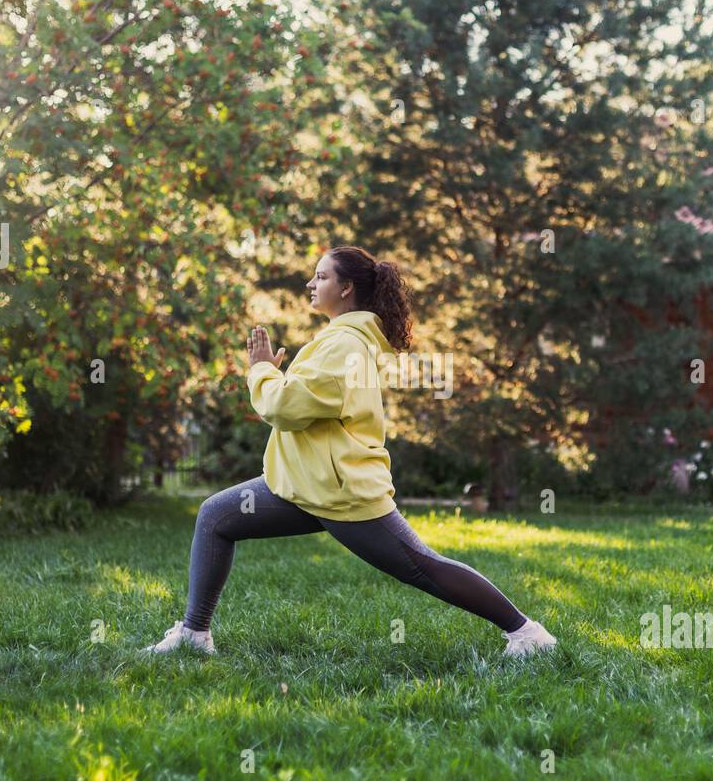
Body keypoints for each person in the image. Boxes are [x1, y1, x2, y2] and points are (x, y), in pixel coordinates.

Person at [144, 245, 557, 658]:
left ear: (346, 289)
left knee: (422, 566)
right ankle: (194, 634)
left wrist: (261, 370)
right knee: (216, 516)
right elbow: (311, 403)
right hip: (308, 484)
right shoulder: (342, 340)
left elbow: (286, 408)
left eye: (321, 277)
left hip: (340, 492)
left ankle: (527, 635)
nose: (311, 283)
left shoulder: (344, 345)